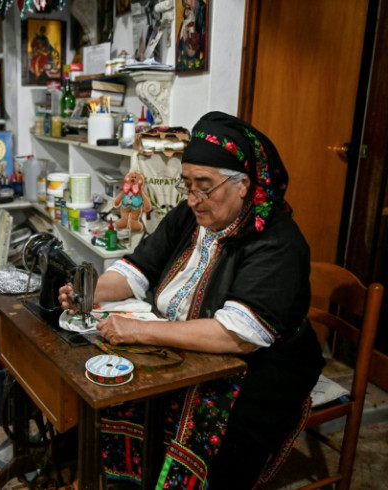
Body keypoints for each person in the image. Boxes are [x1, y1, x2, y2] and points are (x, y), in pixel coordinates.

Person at [58, 111, 324, 488]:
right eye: (187, 185)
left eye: (205, 186)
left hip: (264, 368)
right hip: (193, 351)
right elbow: (139, 268)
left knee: (198, 423)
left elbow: (238, 336)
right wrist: (88, 290)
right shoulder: (191, 214)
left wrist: (139, 331)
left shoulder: (276, 240)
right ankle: (126, 477)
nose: (194, 198)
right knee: (108, 386)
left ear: (243, 185)